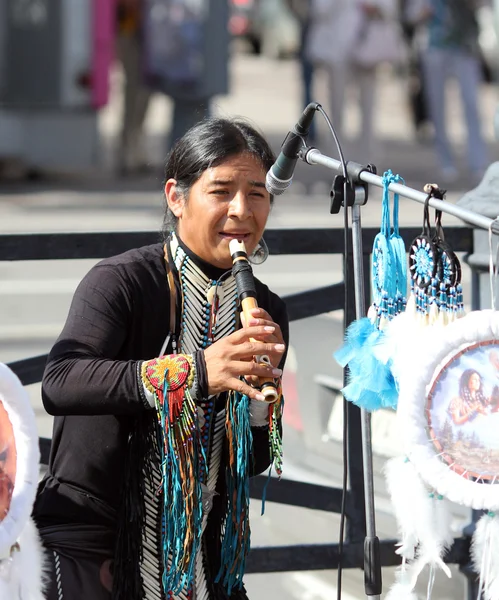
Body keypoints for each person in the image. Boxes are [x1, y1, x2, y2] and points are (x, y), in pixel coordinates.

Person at [32, 117, 289, 600]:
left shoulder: (268, 311)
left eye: (257, 194)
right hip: (97, 546)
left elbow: (250, 460)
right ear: (176, 197)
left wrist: (260, 402)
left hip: (201, 557)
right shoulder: (122, 282)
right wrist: (194, 372)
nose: (242, 211)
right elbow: (61, 381)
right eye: (221, 191)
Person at [305, 0, 400, 164]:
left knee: (368, 106)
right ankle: (337, 158)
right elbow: (319, 9)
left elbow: (389, 8)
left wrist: (375, 8)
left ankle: (367, 158)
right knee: (337, 105)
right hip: (336, 50)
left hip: (367, 46)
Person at [406, 0, 490, 183]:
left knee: (471, 104)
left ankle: (477, 162)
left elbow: (485, 5)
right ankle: (445, 162)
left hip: (465, 46)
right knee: (437, 107)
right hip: (434, 48)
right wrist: (423, 11)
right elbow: (411, 14)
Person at [115, 0, 152, 175]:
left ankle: (136, 151)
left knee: (144, 95)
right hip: (130, 30)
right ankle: (127, 153)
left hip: (149, 32)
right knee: (134, 96)